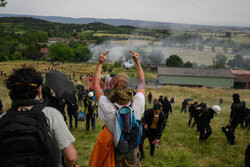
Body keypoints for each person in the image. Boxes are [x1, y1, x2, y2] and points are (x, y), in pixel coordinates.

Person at [1, 67, 77, 167]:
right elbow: (71, 157)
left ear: (12, 91)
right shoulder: (51, 114)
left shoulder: (2, 118)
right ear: (39, 90)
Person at [91, 50, 145, 166]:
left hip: (114, 154)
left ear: (112, 87)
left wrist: (100, 63)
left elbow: (95, 85)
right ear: (130, 87)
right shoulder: (138, 104)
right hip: (133, 154)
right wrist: (137, 62)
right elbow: (141, 84)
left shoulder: (107, 107)